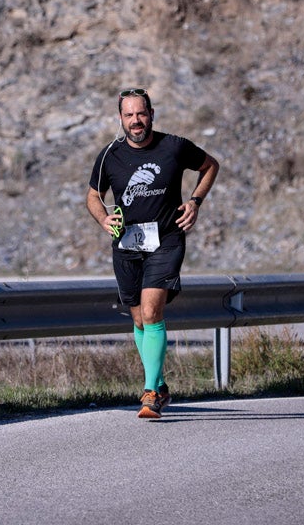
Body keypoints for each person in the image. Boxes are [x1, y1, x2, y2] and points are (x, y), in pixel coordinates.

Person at [86, 88, 220, 418]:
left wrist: (195, 202)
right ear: (121, 119)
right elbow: (92, 196)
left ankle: (148, 394)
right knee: (138, 319)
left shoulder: (174, 147)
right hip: (127, 245)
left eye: (141, 114)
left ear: (152, 114)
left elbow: (210, 166)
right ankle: (158, 384)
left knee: (151, 312)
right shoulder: (109, 156)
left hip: (166, 240)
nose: (136, 121)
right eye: (129, 115)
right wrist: (105, 219)